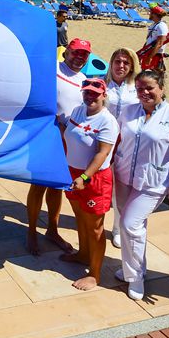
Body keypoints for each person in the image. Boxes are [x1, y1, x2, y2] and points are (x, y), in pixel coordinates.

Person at [114, 69, 169, 300]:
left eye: (149, 88)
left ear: (161, 88)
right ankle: (130, 267)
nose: (144, 92)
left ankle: (137, 276)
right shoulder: (129, 111)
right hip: (123, 177)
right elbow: (117, 139)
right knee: (128, 225)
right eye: (140, 88)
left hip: (153, 182)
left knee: (131, 225)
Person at [26, 38, 90, 255]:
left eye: (84, 54)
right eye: (76, 52)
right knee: (38, 186)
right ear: (66, 53)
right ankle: (32, 232)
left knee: (56, 186)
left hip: (67, 140)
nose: (79, 57)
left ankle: (52, 230)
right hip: (46, 135)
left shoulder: (83, 80)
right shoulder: (51, 69)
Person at [61, 78, 119, 290]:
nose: (90, 96)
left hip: (93, 178)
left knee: (95, 227)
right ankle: (83, 254)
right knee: (80, 217)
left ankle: (95, 274)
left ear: (104, 95)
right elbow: (67, 134)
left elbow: (102, 153)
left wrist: (85, 177)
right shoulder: (77, 111)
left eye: (95, 92)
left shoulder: (107, 121)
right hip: (73, 174)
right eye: (87, 92)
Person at [103, 47, 140, 248]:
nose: (121, 66)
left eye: (126, 62)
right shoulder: (103, 84)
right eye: (117, 61)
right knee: (100, 186)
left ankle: (117, 228)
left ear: (132, 65)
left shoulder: (137, 87)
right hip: (103, 143)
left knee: (121, 188)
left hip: (127, 145)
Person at [142, 6, 169, 73]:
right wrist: (143, 51)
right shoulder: (154, 25)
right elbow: (149, 39)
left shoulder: (161, 25)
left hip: (156, 54)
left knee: (155, 76)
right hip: (149, 53)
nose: (149, 14)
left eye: (151, 13)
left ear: (154, 14)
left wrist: (150, 57)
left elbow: (160, 42)